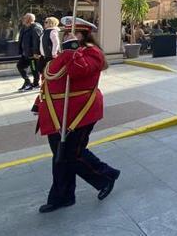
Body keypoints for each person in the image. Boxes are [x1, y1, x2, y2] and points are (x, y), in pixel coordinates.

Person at [34, 16, 120, 213]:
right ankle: (62, 197)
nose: (67, 35)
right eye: (66, 32)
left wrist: (72, 51)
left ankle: (106, 175)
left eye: (74, 32)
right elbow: (52, 80)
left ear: (83, 35)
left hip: (80, 111)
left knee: (72, 154)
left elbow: (78, 71)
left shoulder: (92, 53)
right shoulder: (68, 52)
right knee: (60, 156)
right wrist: (38, 102)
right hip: (57, 113)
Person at [17, 13, 43, 91]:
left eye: (24, 18)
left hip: (32, 54)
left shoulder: (36, 28)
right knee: (20, 66)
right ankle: (27, 82)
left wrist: (36, 53)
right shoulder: (24, 28)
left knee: (34, 69)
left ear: (29, 20)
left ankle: (36, 84)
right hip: (25, 53)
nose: (23, 19)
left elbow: (36, 41)